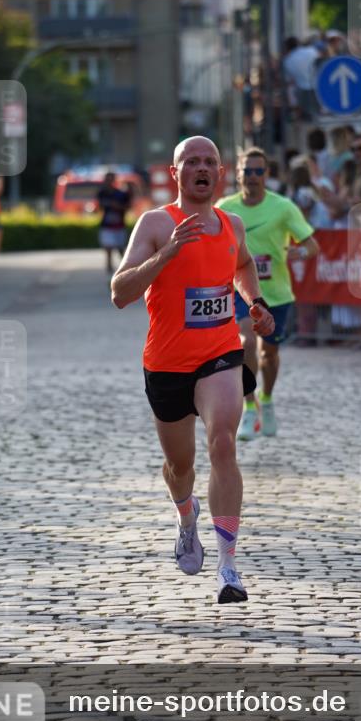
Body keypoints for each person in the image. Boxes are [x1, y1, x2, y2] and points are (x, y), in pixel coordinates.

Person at [111, 136, 274, 604]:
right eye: (191, 162)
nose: (201, 168)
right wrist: (167, 254)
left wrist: (255, 302)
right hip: (166, 363)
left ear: (220, 174)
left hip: (221, 351)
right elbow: (120, 292)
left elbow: (242, 266)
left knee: (223, 442)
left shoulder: (232, 224)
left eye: (209, 162)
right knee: (179, 467)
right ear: (176, 172)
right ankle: (187, 518)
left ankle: (229, 567)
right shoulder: (157, 223)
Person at [217, 148, 318, 440]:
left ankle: (268, 400)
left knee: (269, 355)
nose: (252, 177)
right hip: (242, 290)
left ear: (267, 175)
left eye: (258, 171)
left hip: (276, 292)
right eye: (247, 171)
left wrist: (299, 251)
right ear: (237, 174)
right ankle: (250, 408)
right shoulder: (225, 207)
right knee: (246, 342)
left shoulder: (283, 207)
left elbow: (313, 245)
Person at [98, 172, 131, 274]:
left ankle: (126, 267)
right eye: (107, 179)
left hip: (119, 224)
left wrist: (117, 206)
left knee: (120, 248)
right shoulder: (102, 193)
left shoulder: (121, 193)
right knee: (108, 248)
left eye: (110, 179)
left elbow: (127, 206)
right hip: (107, 225)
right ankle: (109, 268)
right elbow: (100, 206)